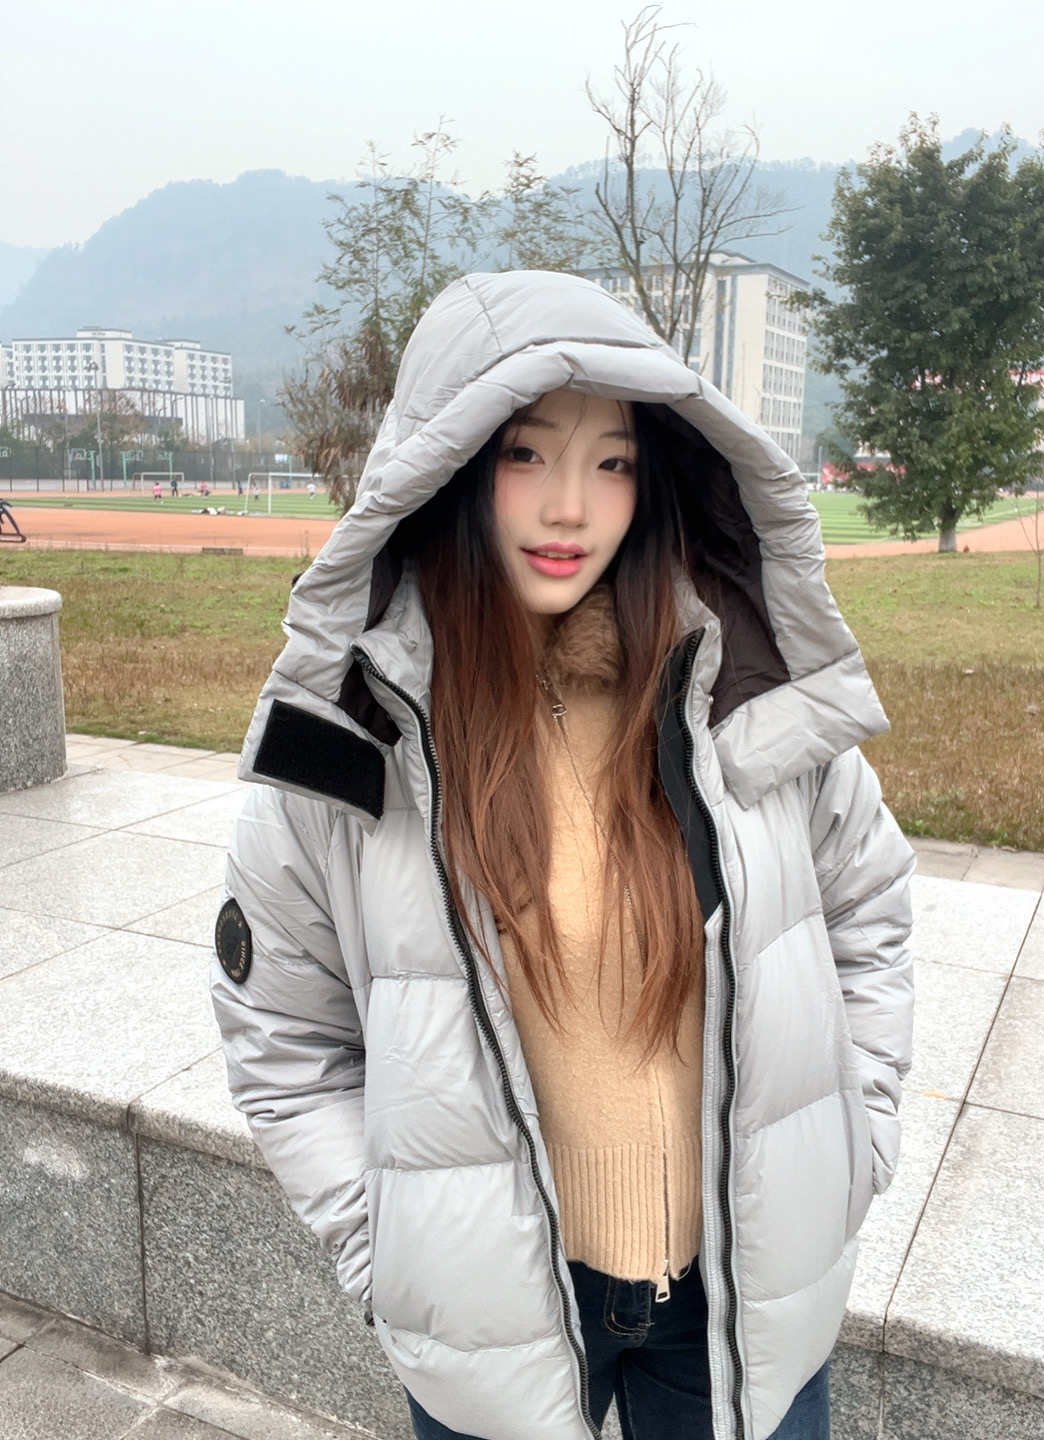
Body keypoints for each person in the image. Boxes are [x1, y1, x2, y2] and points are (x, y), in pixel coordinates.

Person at [211, 271, 914, 1440]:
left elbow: (870, 916)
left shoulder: (742, 692)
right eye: (526, 454)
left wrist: (853, 1148)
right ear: (447, 466)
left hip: (741, 1306)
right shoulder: (353, 735)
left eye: (614, 461)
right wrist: (390, 1254)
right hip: (492, 1311)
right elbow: (282, 1036)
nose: (572, 507)